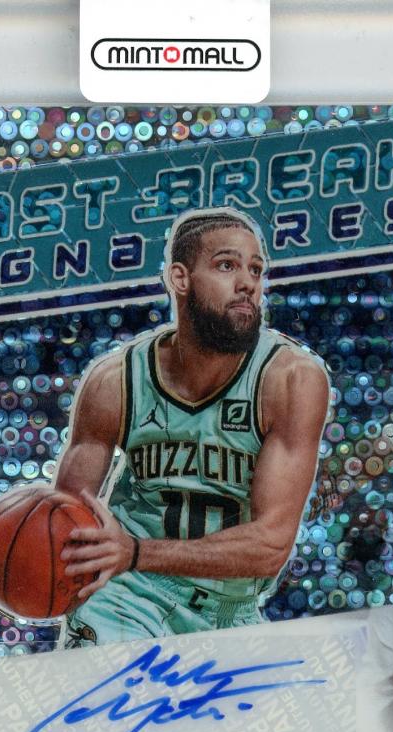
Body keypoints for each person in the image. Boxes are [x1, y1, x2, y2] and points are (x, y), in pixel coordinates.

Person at [53, 208, 330, 647]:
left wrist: (136, 551)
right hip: (129, 595)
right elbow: (62, 525)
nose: (248, 283)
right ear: (180, 278)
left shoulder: (290, 379)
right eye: (227, 265)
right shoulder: (115, 382)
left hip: (231, 609)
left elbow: (270, 545)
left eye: (256, 270)